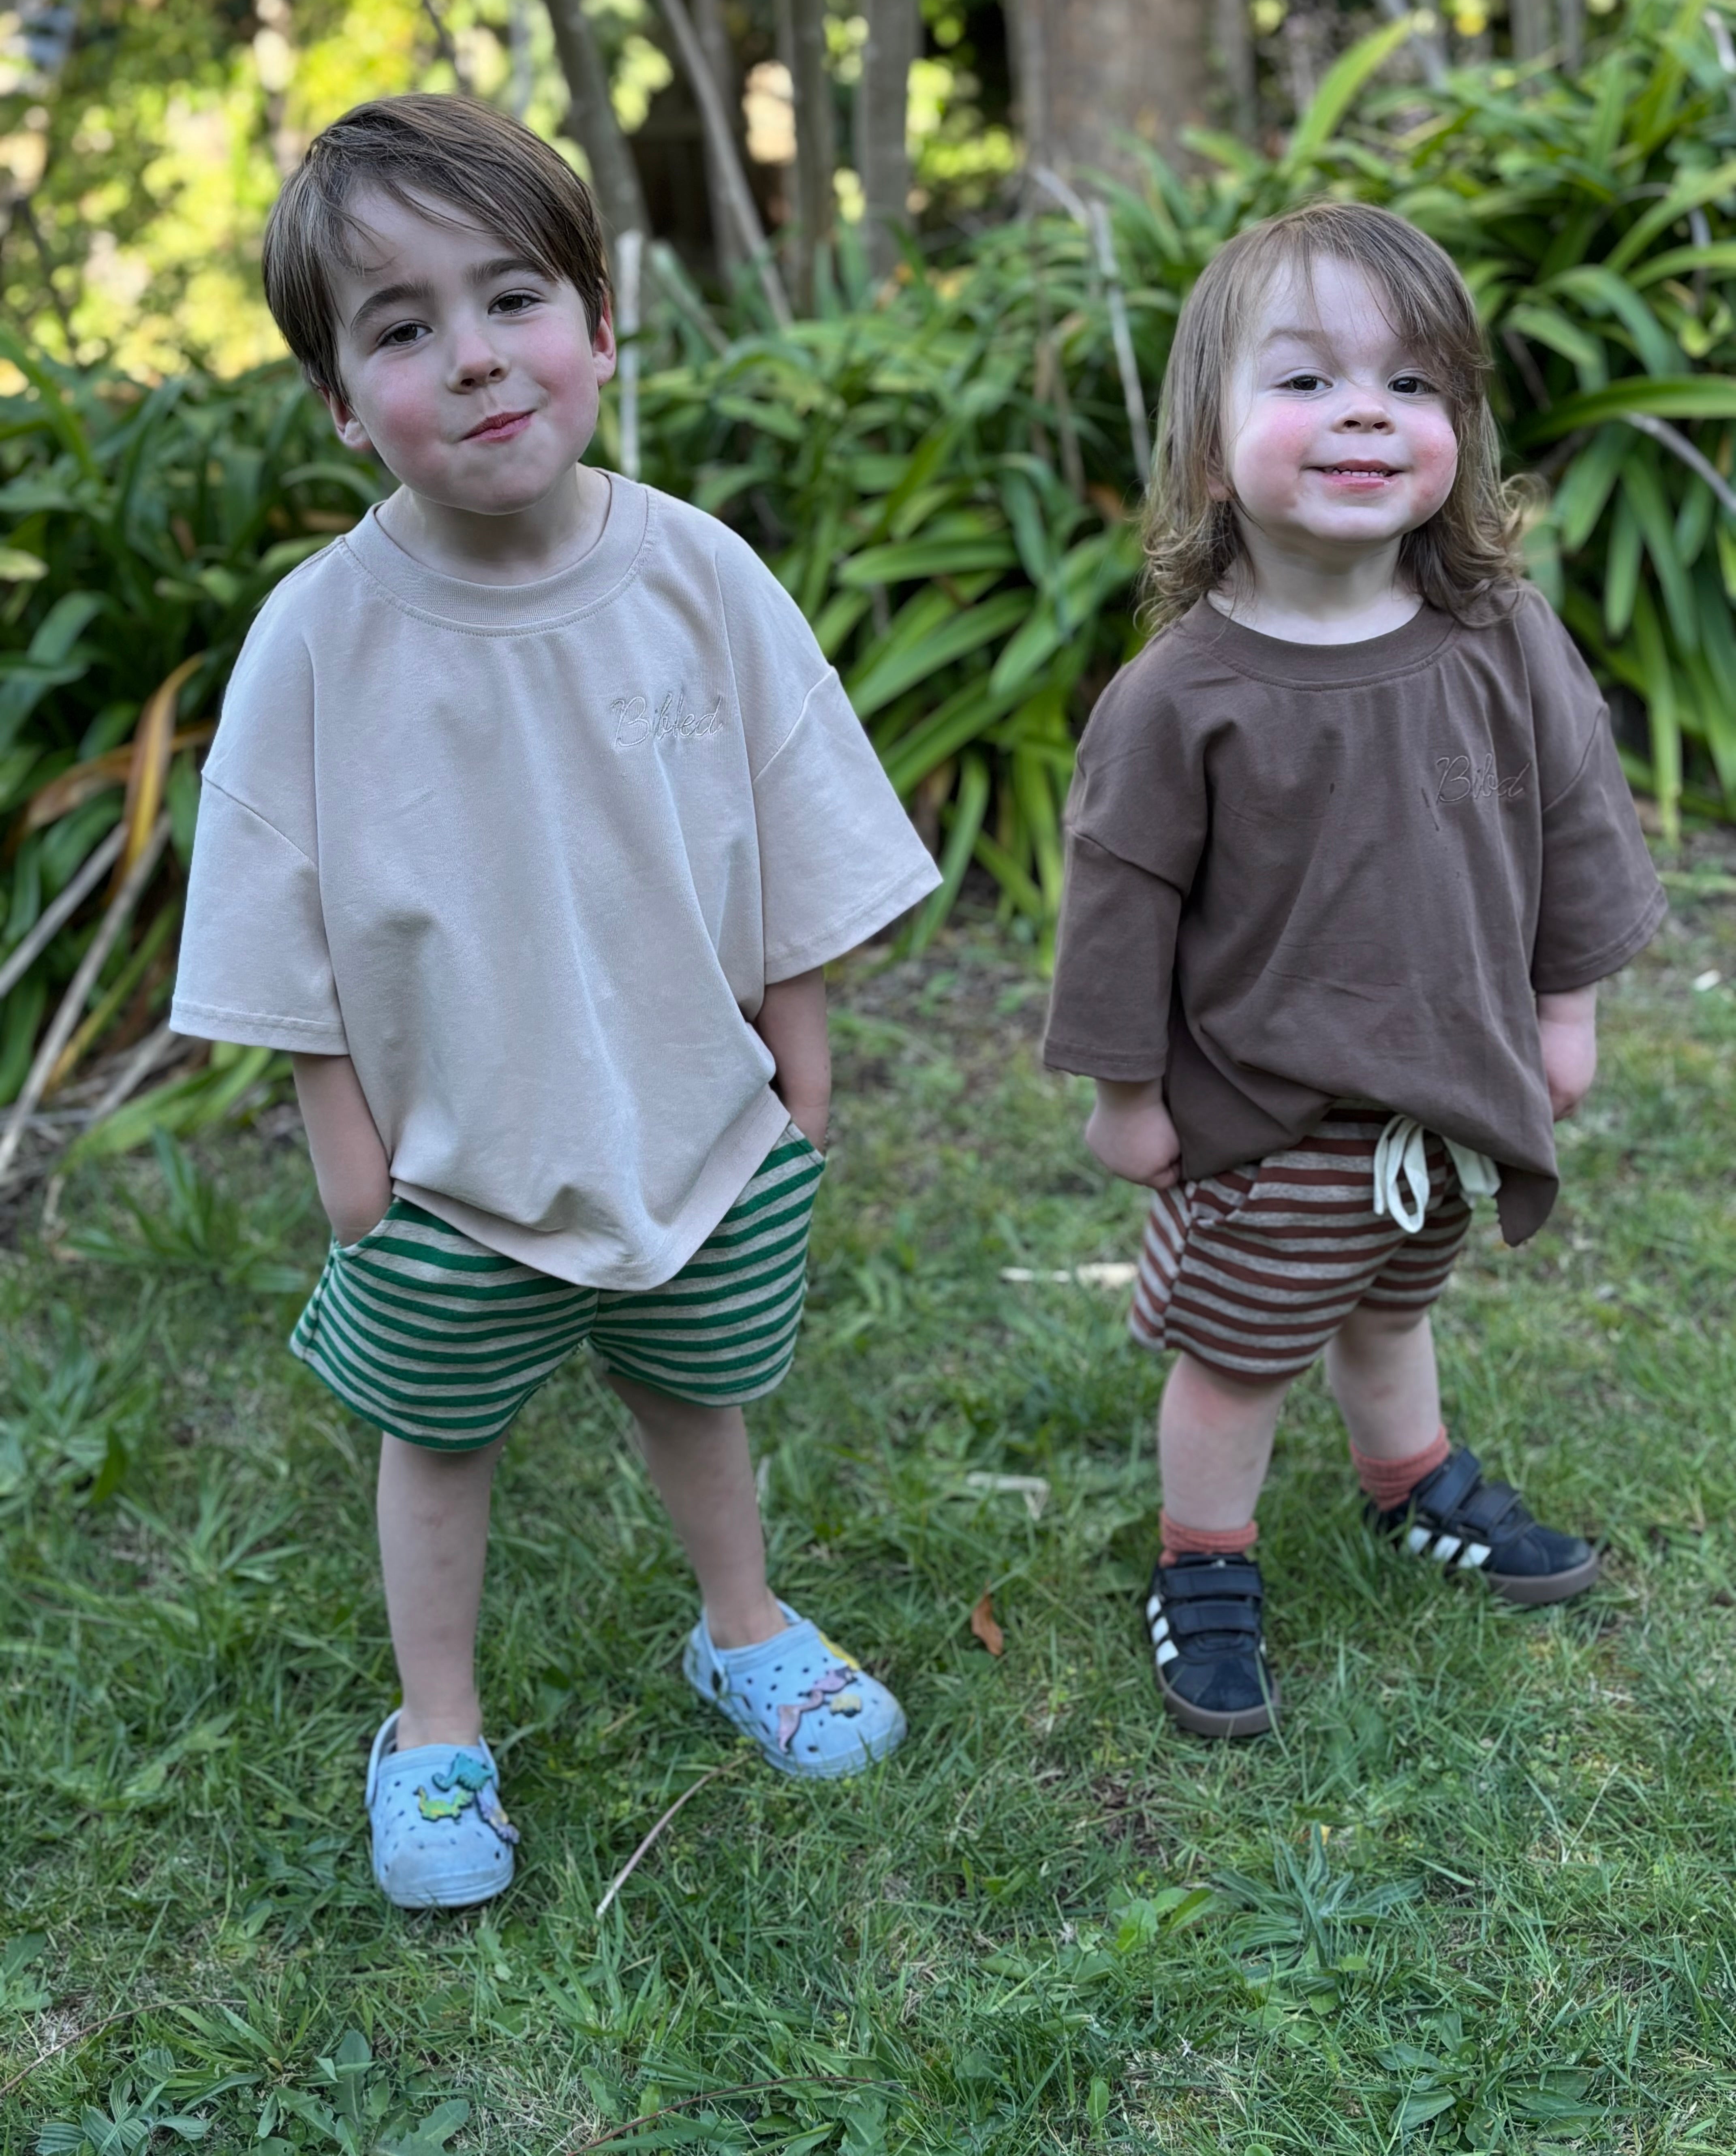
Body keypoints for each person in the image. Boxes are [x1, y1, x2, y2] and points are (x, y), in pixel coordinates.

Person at [171, 93, 940, 1904]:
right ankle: (434, 1724)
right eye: (403, 329)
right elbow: (274, 921)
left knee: (700, 1395)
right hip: (449, 1163)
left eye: (513, 298)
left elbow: (800, 820)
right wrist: (349, 1162)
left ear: (602, 327)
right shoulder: (321, 638)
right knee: (437, 1439)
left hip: (701, 1117)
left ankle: (740, 1623)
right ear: (348, 406)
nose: (477, 358)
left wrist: (799, 1074)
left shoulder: (697, 581)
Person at [1043, 202, 1665, 1741]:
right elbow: (1120, 905)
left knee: (1394, 1305)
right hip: (1270, 1117)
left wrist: (1560, 1013)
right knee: (1238, 1356)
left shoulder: (1498, 636)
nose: (1364, 416)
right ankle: (1204, 1564)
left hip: (1444, 1100)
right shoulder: (1182, 693)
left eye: (1411, 384)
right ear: (1207, 447)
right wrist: (1128, 1096)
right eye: (1305, 382)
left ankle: (1410, 1483)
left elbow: (1576, 818)